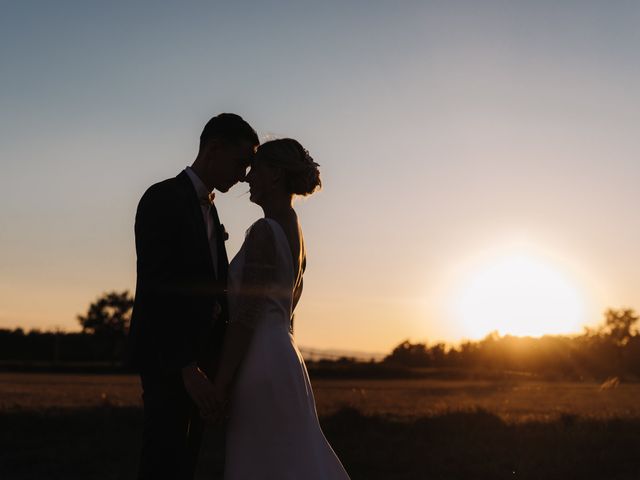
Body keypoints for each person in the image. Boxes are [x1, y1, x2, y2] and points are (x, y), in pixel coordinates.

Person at [126, 113, 259, 480]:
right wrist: (186, 367)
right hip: (168, 357)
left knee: (188, 460)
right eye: (241, 162)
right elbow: (157, 287)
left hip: (203, 357)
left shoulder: (212, 210)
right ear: (214, 149)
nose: (245, 174)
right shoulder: (162, 197)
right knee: (162, 456)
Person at [212, 139, 350, 479]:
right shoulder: (296, 232)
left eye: (255, 169)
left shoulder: (264, 232)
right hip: (285, 359)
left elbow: (246, 316)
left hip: (259, 361)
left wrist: (220, 384)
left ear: (274, 175)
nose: (247, 178)